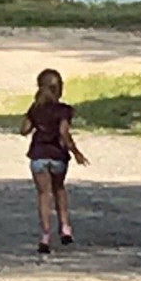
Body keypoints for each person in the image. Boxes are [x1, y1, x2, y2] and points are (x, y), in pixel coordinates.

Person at [20, 68, 88, 255]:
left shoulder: (35, 109)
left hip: (38, 156)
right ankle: (65, 227)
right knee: (59, 189)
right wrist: (76, 152)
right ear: (59, 89)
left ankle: (45, 236)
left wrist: (32, 118)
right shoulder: (64, 110)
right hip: (58, 156)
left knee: (43, 195)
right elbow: (63, 134)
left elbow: (24, 130)